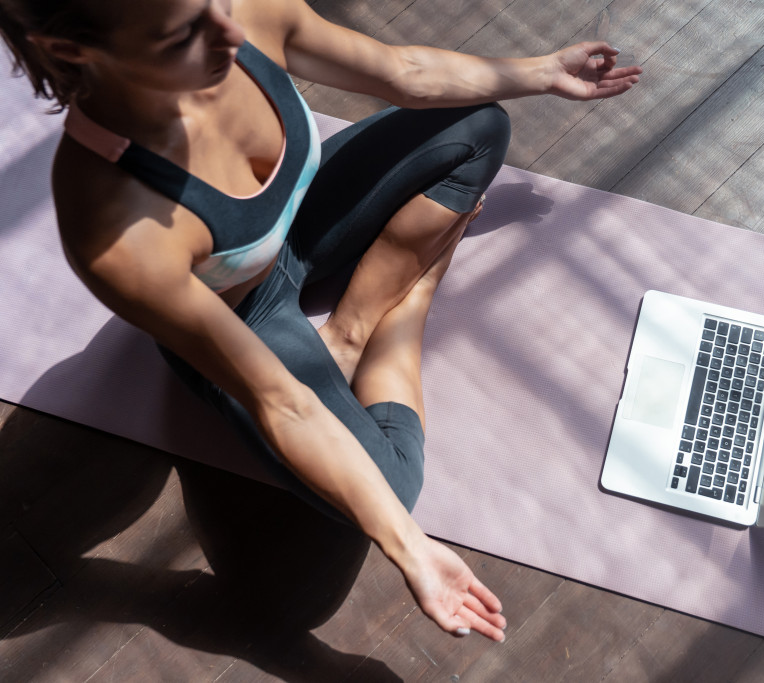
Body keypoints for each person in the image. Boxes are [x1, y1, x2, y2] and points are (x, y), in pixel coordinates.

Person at [0, 0, 641, 642]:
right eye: (184, 35)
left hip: (299, 226)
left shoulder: (240, 13)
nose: (229, 30)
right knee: (392, 488)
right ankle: (411, 301)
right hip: (241, 317)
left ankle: (350, 330)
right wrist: (410, 548)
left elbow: (405, 71)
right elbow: (284, 406)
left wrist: (545, 70)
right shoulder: (114, 228)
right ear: (73, 53)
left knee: (478, 124)